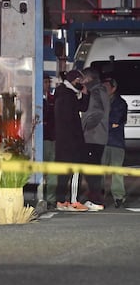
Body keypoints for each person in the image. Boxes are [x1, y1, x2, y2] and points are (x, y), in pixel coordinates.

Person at [54, 69, 90, 211]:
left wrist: (83, 95)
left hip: (62, 141)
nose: (81, 85)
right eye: (80, 82)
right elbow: (82, 109)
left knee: (63, 172)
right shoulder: (69, 96)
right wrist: (85, 94)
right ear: (75, 80)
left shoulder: (61, 93)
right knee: (76, 170)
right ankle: (74, 201)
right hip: (72, 140)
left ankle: (61, 201)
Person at [79, 67, 110, 210]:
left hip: (93, 136)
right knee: (93, 168)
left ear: (89, 78)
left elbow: (97, 112)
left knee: (91, 169)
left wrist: (86, 126)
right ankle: (95, 198)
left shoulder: (96, 92)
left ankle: (96, 201)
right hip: (97, 136)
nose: (81, 81)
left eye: (83, 78)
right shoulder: (100, 90)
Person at [101, 78, 128, 208]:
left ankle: (118, 197)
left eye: (106, 86)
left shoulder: (120, 103)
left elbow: (115, 121)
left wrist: (104, 123)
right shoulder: (100, 101)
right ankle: (99, 196)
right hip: (102, 141)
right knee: (100, 170)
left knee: (117, 170)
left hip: (116, 142)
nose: (104, 89)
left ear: (113, 88)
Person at [42, 74, 57, 210]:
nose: (47, 85)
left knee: (52, 169)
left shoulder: (53, 99)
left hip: (52, 137)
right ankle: (41, 196)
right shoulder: (35, 99)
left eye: (48, 82)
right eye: (44, 82)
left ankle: (51, 198)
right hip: (41, 138)